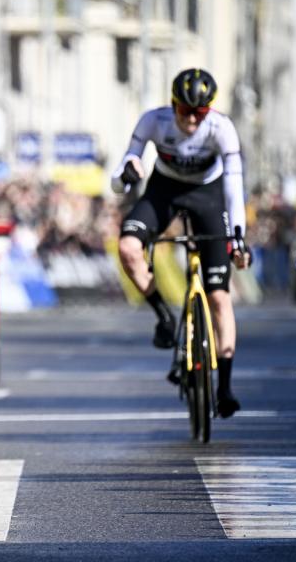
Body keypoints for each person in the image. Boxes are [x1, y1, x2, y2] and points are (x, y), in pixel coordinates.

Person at [112, 68, 250, 419]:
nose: (191, 118)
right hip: (165, 190)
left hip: (209, 194)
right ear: (172, 105)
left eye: (200, 112)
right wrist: (126, 175)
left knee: (219, 296)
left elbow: (234, 188)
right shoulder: (154, 121)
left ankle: (225, 387)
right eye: (185, 110)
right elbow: (122, 175)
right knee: (129, 247)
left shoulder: (222, 128)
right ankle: (164, 317)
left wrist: (238, 238)